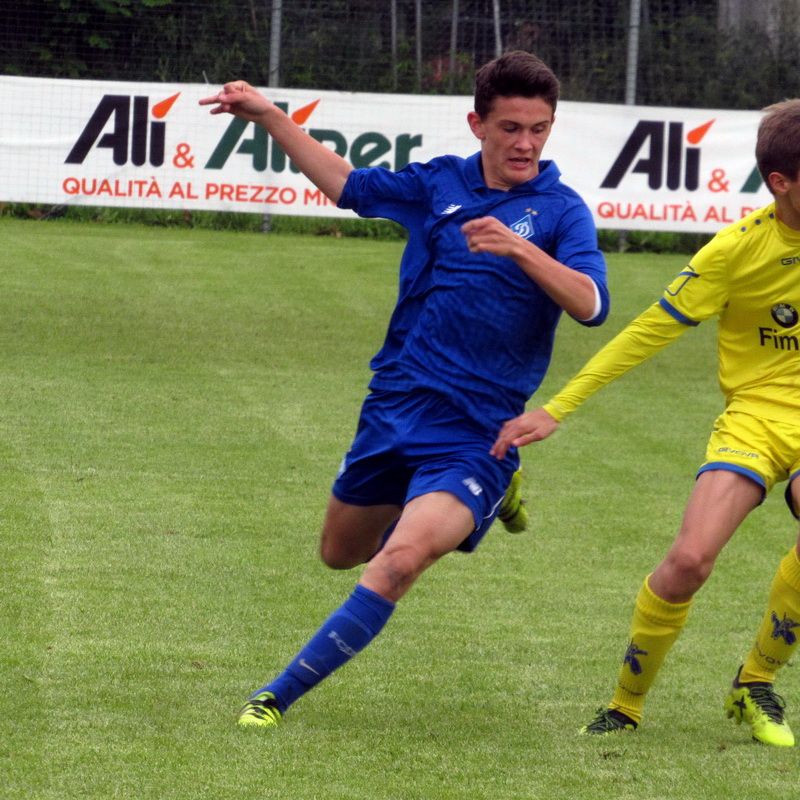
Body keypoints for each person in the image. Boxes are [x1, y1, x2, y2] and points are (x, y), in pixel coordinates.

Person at [200, 50, 610, 728]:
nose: (526, 143)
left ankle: (274, 695)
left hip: (480, 432)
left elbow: (593, 303)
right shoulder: (437, 184)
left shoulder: (561, 211)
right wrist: (270, 115)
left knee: (398, 561)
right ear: (477, 123)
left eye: (539, 128)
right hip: (395, 408)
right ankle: (481, 500)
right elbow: (347, 185)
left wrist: (522, 249)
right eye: (511, 128)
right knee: (340, 553)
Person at [490, 99, 800, 747]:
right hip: (757, 420)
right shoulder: (736, 252)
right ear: (781, 183)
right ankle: (625, 705)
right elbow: (644, 334)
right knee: (689, 560)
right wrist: (557, 407)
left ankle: (756, 681)